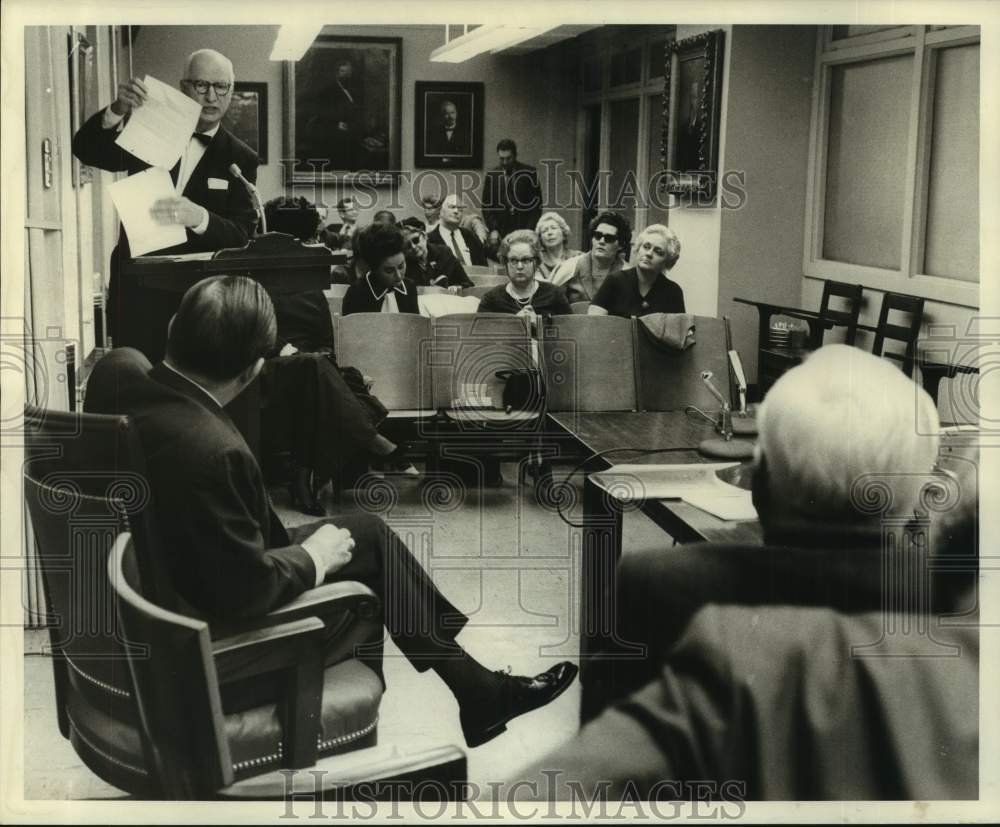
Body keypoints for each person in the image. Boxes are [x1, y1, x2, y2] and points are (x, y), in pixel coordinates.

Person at [84, 275, 578, 746]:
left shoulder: (122, 382)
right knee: (367, 593)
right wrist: (315, 557)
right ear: (255, 368)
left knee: (367, 533)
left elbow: (124, 360)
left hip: (170, 584)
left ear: (174, 329)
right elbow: (245, 590)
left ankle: (476, 689)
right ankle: (457, 700)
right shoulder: (214, 448)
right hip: (214, 646)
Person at [512, 345, 977, 799]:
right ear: (919, 495)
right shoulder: (957, 610)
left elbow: (607, 787)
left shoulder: (656, 584)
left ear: (759, 481)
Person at [71, 48, 258, 359]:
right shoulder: (150, 127)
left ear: (231, 91)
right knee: (135, 382)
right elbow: (87, 150)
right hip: (136, 289)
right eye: (200, 85)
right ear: (183, 87)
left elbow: (242, 235)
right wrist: (118, 109)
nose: (211, 96)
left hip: (198, 300)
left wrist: (200, 217)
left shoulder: (240, 157)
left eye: (220, 86)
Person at [261, 196, 415, 511]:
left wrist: (317, 355)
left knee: (334, 374)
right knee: (319, 370)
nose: (316, 244)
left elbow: (325, 341)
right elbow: (252, 330)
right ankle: (369, 439)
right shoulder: (255, 278)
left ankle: (304, 476)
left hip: (310, 373)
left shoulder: (311, 286)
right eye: (310, 239)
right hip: (270, 368)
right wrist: (289, 350)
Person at [588, 224, 685, 318]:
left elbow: (680, 332)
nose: (649, 254)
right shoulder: (614, 281)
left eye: (658, 252)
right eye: (646, 247)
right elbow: (594, 324)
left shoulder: (673, 292)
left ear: (667, 261)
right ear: (638, 249)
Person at [477, 230, 571, 323]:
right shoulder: (491, 299)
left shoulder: (554, 294)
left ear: (537, 262)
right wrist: (513, 325)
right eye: (513, 260)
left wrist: (539, 325)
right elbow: (481, 336)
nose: (519, 266)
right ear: (505, 262)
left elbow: (571, 334)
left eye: (526, 260)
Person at [549, 212, 629, 304]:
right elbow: (549, 299)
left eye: (609, 238)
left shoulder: (627, 274)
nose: (601, 241)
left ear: (621, 245)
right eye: (598, 235)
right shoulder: (570, 267)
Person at [343, 223, 421, 315]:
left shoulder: (409, 287)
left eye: (401, 266)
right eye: (389, 271)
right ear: (373, 269)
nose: (399, 276)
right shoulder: (356, 294)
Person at [481, 138, 543, 247]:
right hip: (500, 231)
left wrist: (529, 230)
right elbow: (486, 205)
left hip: (524, 229)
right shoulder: (492, 175)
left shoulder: (529, 173)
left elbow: (537, 205)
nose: (505, 162)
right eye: (502, 159)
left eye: (508, 158)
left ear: (515, 155)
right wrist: (493, 229)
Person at [398, 217, 472, 290]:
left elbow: (467, 284)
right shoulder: (404, 263)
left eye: (416, 240)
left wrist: (456, 287)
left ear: (424, 236)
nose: (413, 247)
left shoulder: (444, 253)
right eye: (407, 245)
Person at [428, 194, 488, 266]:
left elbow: (483, 267)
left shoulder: (471, 237)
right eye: (452, 207)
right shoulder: (430, 240)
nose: (456, 211)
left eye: (460, 209)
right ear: (440, 211)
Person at [534, 212, 581, 279]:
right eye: (544, 231)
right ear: (541, 239)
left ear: (563, 232)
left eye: (553, 228)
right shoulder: (537, 262)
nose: (549, 233)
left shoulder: (577, 257)